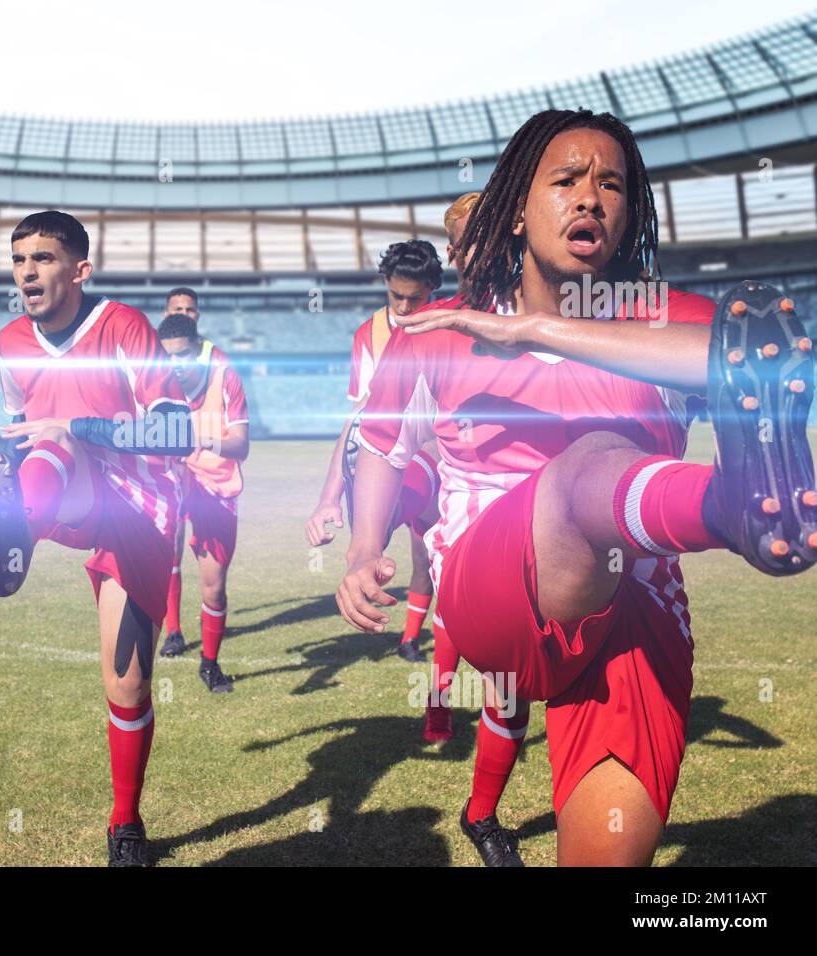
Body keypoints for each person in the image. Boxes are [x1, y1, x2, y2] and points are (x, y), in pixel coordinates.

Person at [337, 108, 815, 865]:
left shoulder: (655, 318)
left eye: (612, 184)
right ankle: (729, 508)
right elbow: (381, 445)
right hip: (493, 594)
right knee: (590, 459)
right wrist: (364, 546)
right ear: (518, 211)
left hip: (637, 602)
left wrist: (541, 331)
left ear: (629, 215)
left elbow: (766, 353)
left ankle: (729, 508)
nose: (590, 196)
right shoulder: (437, 327)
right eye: (565, 180)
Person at [0, 211, 197, 866]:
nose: (29, 270)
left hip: (137, 505)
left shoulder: (125, 327)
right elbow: (19, 430)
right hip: (65, 489)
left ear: (80, 269)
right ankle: (7, 533)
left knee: (126, 686)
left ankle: (126, 824)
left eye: (45, 258)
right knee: (40, 450)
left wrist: (82, 427)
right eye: (20, 259)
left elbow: (177, 434)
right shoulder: (8, 345)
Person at [305, 240, 445, 665]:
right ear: (385, 283)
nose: (404, 307)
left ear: (433, 289)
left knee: (430, 561)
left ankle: (411, 642)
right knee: (378, 542)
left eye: (415, 298)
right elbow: (356, 420)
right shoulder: (367, 334)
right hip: (386, 462)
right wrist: (328, 497)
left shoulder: (447, 325)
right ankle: (367, 569)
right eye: (396, 296)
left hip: (437, 460)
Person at [155, 313, 251, 692]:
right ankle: (170, 632)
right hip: (175, 479)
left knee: (213, 585)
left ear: (198, 351)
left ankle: (209, 664)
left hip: (215, 483)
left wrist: (201, 442)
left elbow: (241, 446)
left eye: (183, 356)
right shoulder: (155, 380)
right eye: (168, 358)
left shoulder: (224, 373)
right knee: (160, 560)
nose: (175, 366)